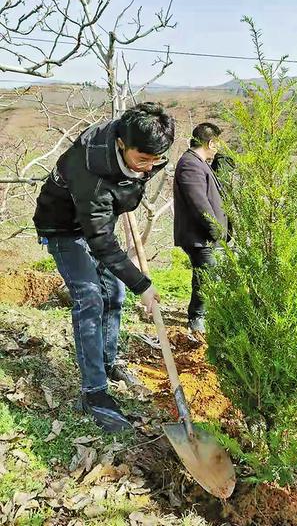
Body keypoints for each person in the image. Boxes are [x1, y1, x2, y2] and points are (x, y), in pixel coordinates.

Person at [33, 102, 175, 432]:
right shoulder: (92, 175)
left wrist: (136, 176)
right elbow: (100, 241)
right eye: (143, 159)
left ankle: (108, 362)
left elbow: (111, 208)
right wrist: (143, 284)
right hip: (63, 226)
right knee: (89, 298)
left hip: (95, 219)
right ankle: (94, 392)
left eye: (156, 160)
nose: (149, 167)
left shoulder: (133, 141)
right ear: (121, 145)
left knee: (114, 294)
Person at [173, 123, 228, 334]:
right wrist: (215, 230)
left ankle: (202, 316)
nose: (218, 148)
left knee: (209, 275)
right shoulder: (190, 164)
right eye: (217, 144)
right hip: (199, 235)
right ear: (211, 142)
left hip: (205, 235)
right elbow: (199, 203)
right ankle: (197, 318)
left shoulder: (199, 163)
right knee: (206, 276)